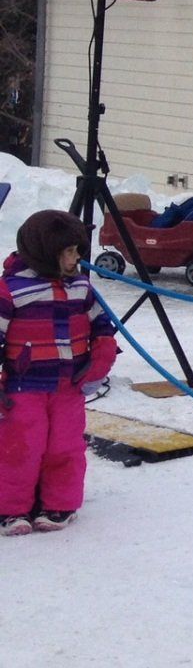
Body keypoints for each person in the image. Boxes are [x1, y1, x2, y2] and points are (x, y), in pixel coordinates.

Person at [0, 211, 118, 534]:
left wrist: (103, 354)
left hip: (69, 386)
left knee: (64, 446)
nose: (76, 258)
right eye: (68, 252)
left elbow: (102, 324)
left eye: (78, 251)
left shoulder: (80, 287)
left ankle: (59, 503)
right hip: (23, 388)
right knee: (20, 447)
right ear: (44, 252)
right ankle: (10, 508)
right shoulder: (12, 289)